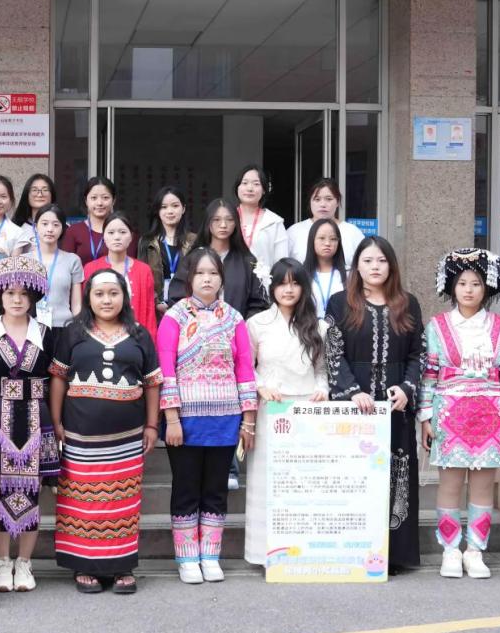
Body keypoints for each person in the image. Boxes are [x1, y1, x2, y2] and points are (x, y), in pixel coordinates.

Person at [49, 270, 162, 595]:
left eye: (114, 293)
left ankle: (121, 566)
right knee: (83, 503)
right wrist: (56, 423)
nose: (107, 300)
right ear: (88, 298)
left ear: (124, 296)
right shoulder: (73, 333)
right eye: (99, 294)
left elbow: (152, 383)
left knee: (122, 504)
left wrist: (152, 425)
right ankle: (85, 566)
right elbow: (58, 378)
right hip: (80, 438)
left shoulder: (139, 334)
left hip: (126, 440)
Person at [419, 249, 500, 579]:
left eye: (476, 283)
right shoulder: (437, 326)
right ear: (452, 286)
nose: (468, 289)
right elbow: (429, 374)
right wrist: (425, 417)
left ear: (487, 288)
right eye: (462, 283)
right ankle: (450, 550)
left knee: (482, 486)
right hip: (449, 414)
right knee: (449, 484)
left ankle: (475, 550)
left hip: (491, 414)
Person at [156, 248, 256, 584]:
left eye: (213, 273)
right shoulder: (174, 317)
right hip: (185, 421)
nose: (207, 279)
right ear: (189, 278)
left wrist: (248, 420)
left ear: (221, 278)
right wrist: (171, 419)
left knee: (216, 490)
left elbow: (245, 370)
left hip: (226, 419)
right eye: (200, 273)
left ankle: (210, 555)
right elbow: (166, 370)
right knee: (186, 489)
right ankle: (187, 558)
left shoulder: (234, 319)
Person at [325, 236, 425, 574]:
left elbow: (419, 353)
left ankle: (392, 556)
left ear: (391, 265)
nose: (375, 267)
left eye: (381, 260)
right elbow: (333, 352)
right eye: (368, 261)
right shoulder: (340, 303)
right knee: (355, 478)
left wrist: (408, 388)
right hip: (355, 408)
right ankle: (354, 552)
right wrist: (352, 390)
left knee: (395, 477)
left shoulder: (408, 303)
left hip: (395, 409)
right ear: (357, 266)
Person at [0, 256, 60, 593]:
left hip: (36, 414)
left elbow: (56, 380)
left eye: (24, 293)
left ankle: (25, 562)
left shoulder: (47, 335)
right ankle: (2, 561)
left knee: (31, 491)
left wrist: (58, 422)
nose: (16, 299)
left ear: (33, 297)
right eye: (10, 292)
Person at [244, 259, 328, 567]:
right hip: (272, 410)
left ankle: (302, 552)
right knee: (269, 482)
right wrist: (261, 386)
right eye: (282, 283)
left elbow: (322, 370)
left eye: (294, 283)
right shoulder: (257, 324)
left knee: (304, 483)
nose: (288, 289)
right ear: (272, 287)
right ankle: (265, 554)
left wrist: (322, 388)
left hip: (307, 410)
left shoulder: (319, 326)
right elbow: (246, 367)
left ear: (304, 287)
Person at [168, 198, 268, 319]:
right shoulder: (193, 258)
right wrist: (197, 322)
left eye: (229, 219)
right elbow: (177, 298)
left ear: (236, 223)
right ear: (207, 222)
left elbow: (258, 304)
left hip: (237, 328)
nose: (223, 225)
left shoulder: (247, 261)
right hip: (197, 328)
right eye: (216, 219)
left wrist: (241, 325)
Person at [83, 211, 157, 340]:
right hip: (99, 338)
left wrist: (149, 344)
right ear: (103, 236)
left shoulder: (143, 270)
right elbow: (86, 309)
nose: (117, 237)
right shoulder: (90, 268)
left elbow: (149, 312)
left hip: (135, 338)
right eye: (111, 232)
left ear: (131, 236)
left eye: (122, 232)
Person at [139, 186, 198, 319]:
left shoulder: (194, 241)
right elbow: (143, 277)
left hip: (188, 310)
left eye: (175, 206)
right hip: (155, 311)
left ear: (183, 209)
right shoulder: (147, 241)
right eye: (164, 207)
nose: (170, 211)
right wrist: (156, 303)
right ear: (158, 211)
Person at [286, 178, 365, 269]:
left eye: (329, 199)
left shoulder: (352, 232)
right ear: (310, 202)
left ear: (337, 202)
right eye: (317, 199)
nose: (323, 204)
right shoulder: (294, 232)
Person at [31, 203, 83, 339]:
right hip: (31, 328)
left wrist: (77, 328)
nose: (50, 229)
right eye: (44, 224)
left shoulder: (72, 260)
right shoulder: (23, 260)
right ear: (35, 227)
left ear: (63, 229)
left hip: (64, 327)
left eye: (55, 224)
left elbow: (76, 303)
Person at [60, 177, 137, 266]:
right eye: (94, 198)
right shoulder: (73, 231)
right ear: (86, 201)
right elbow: (66, 266)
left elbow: (132, 264)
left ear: (113, 200)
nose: (99, 203)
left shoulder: (125, 231)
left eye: (105, 198)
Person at [232, 165, 288, 274]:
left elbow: (281, 263)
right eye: (245, 183)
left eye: (256, 184)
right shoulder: (227, 218)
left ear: (264, 190)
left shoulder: (274, 222)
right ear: (237, 188)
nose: (250, 188)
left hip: (263, 281)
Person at [302, 218, 347, 319]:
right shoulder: (301, 274)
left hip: (342, 327)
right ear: (312, 240)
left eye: (333, 239)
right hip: (308, 327)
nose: (327, 243)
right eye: (322, 238)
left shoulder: (349, 274)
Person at [12, 173, 57, 254]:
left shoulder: (63, 226)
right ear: (27, 195)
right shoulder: (17, 228)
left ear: (52, 195)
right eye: (34, 190)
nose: (40, 194)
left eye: (45, 190)